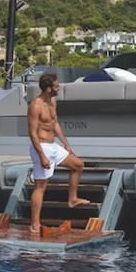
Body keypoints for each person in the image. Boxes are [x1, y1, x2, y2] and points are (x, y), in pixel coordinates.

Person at [27, 72, 88, 236]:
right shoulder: (35, 105)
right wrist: (41, 156)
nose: (58, 88)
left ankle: (72, 199)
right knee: (41, 186)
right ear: (48, 89)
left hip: (53, 146)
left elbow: (55, 125)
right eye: (56, 86)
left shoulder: (52, 101)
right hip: (41, 147)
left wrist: (66, 144)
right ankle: (34, 224)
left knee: (78, 165)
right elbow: (32, 133)